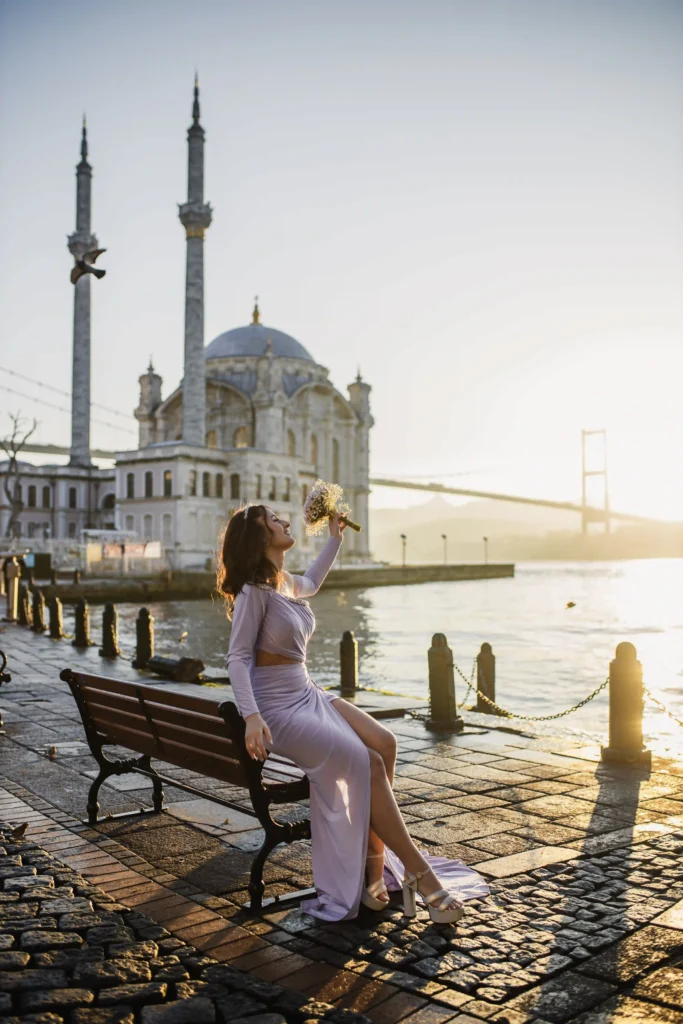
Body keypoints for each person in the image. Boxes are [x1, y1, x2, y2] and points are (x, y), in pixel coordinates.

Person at [219, 503, 488, 922]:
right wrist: (251, 715)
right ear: (260, 537)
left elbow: (311, 581)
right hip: (278, 709)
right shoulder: (256, 591)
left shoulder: (284, 583)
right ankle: (420, 874)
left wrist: (335, 539)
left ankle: (373, 871)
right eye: (274, 520)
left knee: (384, 742)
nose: (285, 521)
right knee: (366, 761)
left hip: (306, 692)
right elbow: (237, 658)